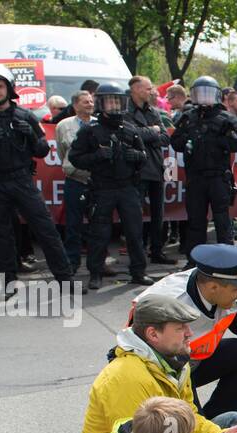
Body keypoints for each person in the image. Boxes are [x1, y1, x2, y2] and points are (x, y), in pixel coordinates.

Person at [79, 296, 237, 433]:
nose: (190, 333)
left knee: (233, 422)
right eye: (180, 328)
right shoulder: (125, 379)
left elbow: (189, 416)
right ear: (153, 334)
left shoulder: (175, 360)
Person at [0, 63, 74, 291]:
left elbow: (42, 150)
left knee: (45, 229)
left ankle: (65, 278)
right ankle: (7, 284)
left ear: (8, 88)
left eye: (1, 86)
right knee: (1, 234)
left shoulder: (24, 115)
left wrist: (30, 135)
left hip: (22, 179)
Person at [133, 243, 237, 418]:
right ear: (213, 287)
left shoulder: (223, 290)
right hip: (161, 371)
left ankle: (221, 418)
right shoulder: (169, 302)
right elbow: (144, 358)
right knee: (191, 422)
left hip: (192, 361)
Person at [70, 81, 153, 289]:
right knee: (99, 233)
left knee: (134, 232)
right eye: (110, 101)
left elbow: (144, 156)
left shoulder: (130, 129)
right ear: (101, 104)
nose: (114, 105)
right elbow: (75, 157)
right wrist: (96, 156)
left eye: (117, 101)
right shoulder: (90, 130)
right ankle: (95, 273)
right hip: (102, 188)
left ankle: (139, 271)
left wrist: (136, 156)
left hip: (128, 188)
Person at [171, 76, 237, 257]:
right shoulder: (188, 117)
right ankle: (195, 260)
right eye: (200, 94)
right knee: (196, 221)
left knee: (222, 220)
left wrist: (221, 140)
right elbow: (175, 142)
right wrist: (188, 141)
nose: (204, 98)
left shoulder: (225, 118)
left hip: (218, 177)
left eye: (208, 93)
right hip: (195, 178)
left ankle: (228, 258)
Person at [126, 75, 176, 266]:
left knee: (158, 214)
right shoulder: (125, 112)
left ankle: (157, 251)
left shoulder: (154, 112)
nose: (152, 92)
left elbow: (165, 138)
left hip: (155, 167)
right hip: (135, 169)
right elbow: (130, 135)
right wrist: (152, 131)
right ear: (137, 89)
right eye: (148, 89)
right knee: (135, 216)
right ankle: (137, 257)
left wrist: (148, 133)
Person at [55, 90, 94, 275]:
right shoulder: (63, 126)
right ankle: (72, 262)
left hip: (97, 182)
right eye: (85, 101)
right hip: (75, 180)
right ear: (75, 105)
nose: (90, 104)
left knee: (98, 225)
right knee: (73, 224)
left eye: (91, 101)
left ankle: (98, 263)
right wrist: (72, 168)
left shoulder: (98, 124)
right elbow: (63, 152)